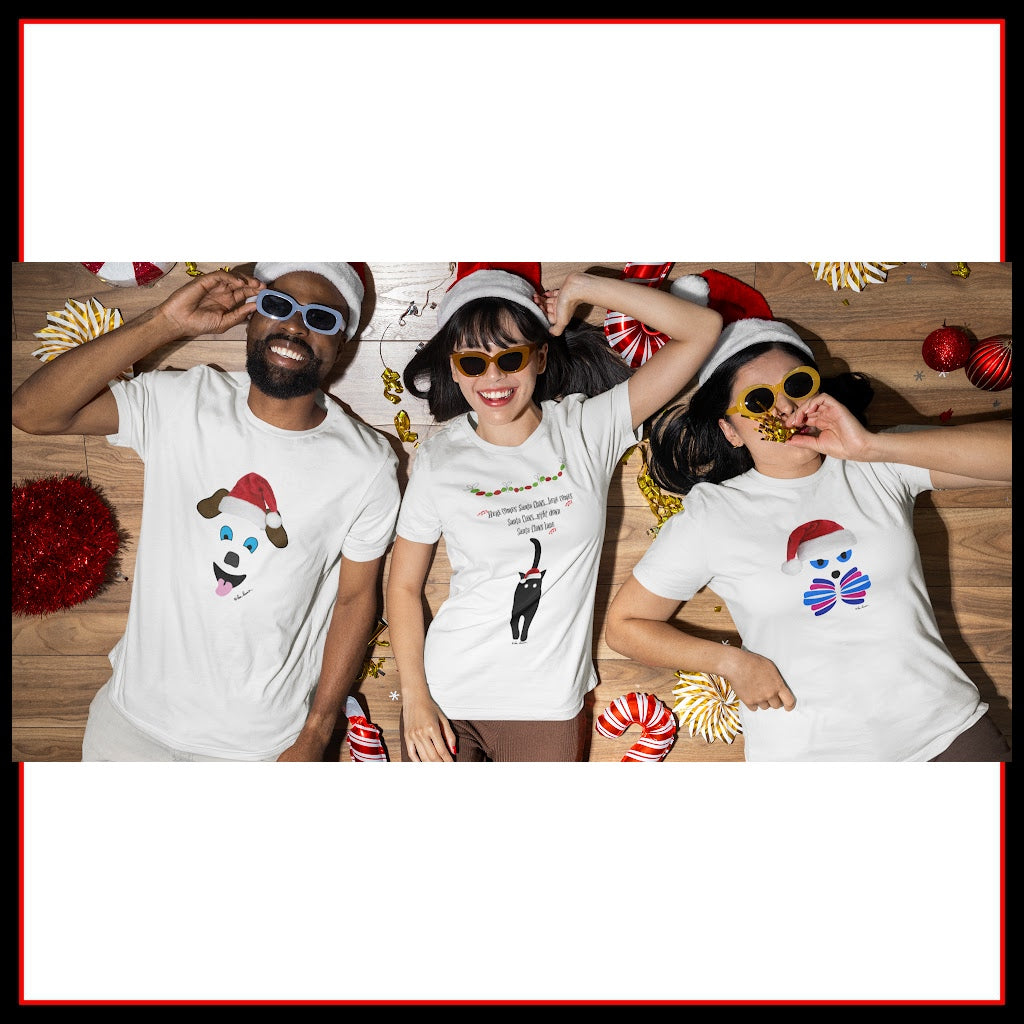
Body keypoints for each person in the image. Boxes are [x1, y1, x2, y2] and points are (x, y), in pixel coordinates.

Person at [605, 269, 1012, 762]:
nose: (784, 408)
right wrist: (731, 662)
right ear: (730, 430)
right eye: (757, 401)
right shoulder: (713, 514)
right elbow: (625, 626)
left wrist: (872, 444)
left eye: (797, 384)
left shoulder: (875, 465)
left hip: (945, 737)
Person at [11, 263, 401, 761]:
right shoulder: (183, 401)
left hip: (258, 748)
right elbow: (33, 412)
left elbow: (354, 600)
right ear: (251, 316)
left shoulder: (366, 464)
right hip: (129, 728)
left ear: (342, 341)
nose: (296, 327)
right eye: (278, 306)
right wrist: (164, 322)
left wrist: (316, 734)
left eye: (321, 318)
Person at [385, 262, 724, 761]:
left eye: (512, 356)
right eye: (473, 363)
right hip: (443, 699)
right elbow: (403, 585)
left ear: (540, 357)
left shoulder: (588, 427)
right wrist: (414, 696)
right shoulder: (438, 458)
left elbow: (702, 331)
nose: (493, 377)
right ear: (454, 369)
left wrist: (584, 289)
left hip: (547, 704)